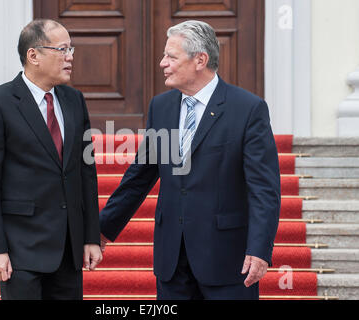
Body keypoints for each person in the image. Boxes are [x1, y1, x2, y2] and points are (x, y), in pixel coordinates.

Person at [99, 20, 281, 300]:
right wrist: (102, 229)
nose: (162, 63)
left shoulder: (248, 109)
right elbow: (140, 176)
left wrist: (260, 249)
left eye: (171, 56)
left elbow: (263, 189)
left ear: (200, 60)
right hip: (172, 262)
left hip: (226, 260)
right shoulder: (161, 107)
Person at [0, 19, 102, 300]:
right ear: (33, 55)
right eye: (63, 49)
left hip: (69, 249)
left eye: (71, 50)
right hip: (21, 249)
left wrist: (91, 237)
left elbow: (85, 173)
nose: (70, 57)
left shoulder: (74, 100)